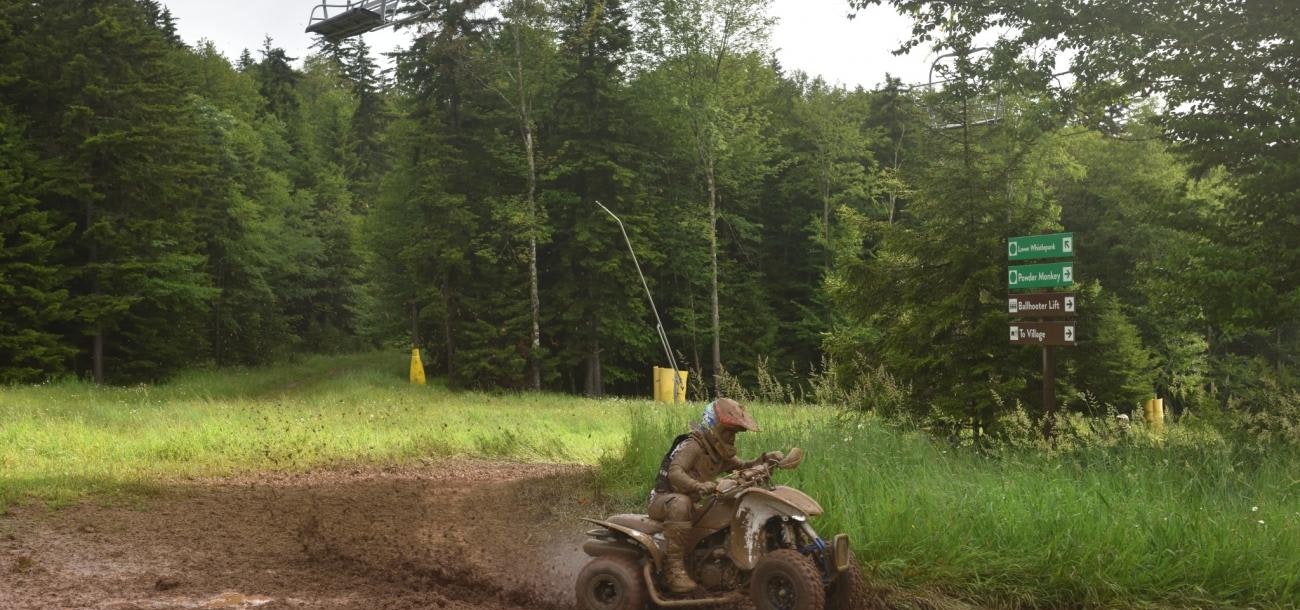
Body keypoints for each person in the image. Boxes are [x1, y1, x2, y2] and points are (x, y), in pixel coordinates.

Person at [647, 398, 784, 593]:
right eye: (728, 432)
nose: (731, 438)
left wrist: (764, 460)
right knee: (681, 503)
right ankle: (673, 570)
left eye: (734, 434)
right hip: (663, 499)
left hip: (691, 503)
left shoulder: (718, 452)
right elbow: (675, 472)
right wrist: (698, 485)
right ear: (713, 427)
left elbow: (743, 466)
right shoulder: (692, 445)